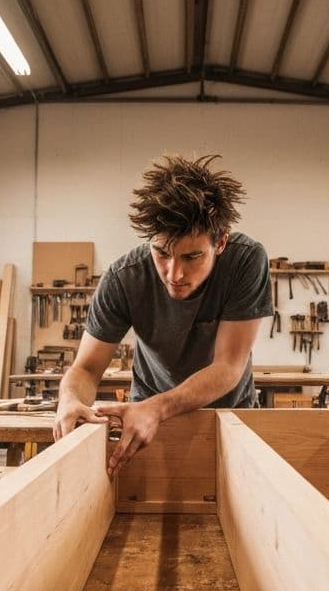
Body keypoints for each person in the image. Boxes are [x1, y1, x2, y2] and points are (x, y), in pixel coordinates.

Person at [53, 153, 273, 476]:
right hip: (144, 423)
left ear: (221, 241)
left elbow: (229, 366)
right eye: (161, 253)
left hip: (228, 416)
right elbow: (86, 368)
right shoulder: (123, 278)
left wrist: (158, 408)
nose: (174, 273)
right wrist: (70, 399)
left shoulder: (246, 262)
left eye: (192, 256)